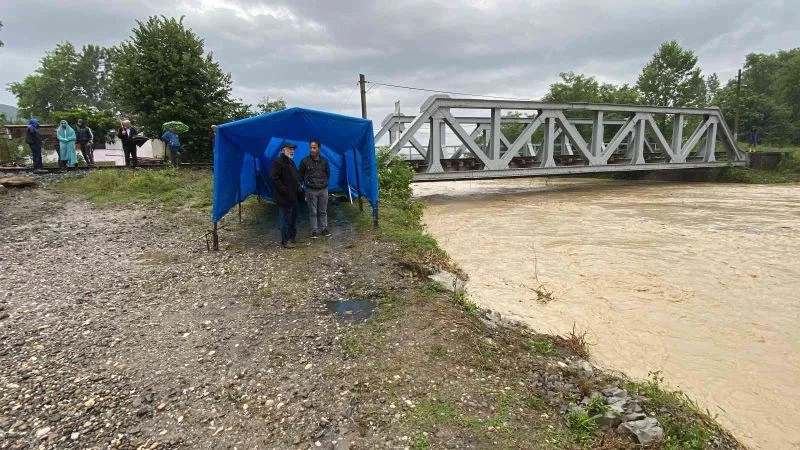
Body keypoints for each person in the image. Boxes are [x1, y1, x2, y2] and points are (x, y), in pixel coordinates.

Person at [269, 141, 302, 249]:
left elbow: (295, 177)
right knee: (285, 220)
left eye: (293, 149)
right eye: (289, 149)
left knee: (293, 218)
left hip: (294, 196)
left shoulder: (291, 162)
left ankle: (292, 238)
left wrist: (299, 186)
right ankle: (285, 240)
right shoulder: (278, 162)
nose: (292, 151)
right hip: (284, 197)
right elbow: (274, 178)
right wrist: (285, 191)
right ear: (283, 150)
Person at [299, 139, 331, 238]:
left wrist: (323, 183)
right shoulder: (305, 161)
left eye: (314, 148)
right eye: (310, 148)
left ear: (319, 149)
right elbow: (300, 174)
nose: (312, 150)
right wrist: (303, 187)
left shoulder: (325, 161)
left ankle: (324, 229)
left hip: (323, 189)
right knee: (313, 211)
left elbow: (328, 174)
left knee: (323, 210)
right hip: (311, 190)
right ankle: (314, 230)